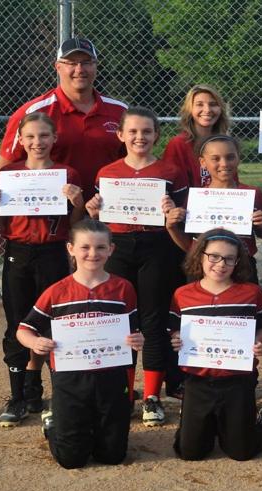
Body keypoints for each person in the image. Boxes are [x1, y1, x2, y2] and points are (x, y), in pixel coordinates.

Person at [0, 111, 85, 428]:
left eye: (43, 136)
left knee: (55, 323)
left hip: (53, 252)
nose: (37, 142)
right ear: (20, 141)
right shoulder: (8, 173)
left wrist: (77, 202)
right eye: (30, 137)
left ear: (54, 139)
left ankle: (52, 390)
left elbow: (76, 224)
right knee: (18, 322)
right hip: (18, 253)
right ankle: (19, 395)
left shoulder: (67, 173)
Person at [84, 105, 188, 426]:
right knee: (121, 321)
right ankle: (126, 393)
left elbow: (184, 217)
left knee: (153, 320)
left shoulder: (170, 171)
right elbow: (98, 216)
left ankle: (152, 396)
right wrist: (93, 211)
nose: (140, 137)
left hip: (158, 246)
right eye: (133, 131)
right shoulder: (108, 173)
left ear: (157, 134)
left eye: (146, 131)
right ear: (121, 135)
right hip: (119, 246)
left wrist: (175, 212)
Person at [14, 220, 144, 469]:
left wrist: (138, 339)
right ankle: (55, 425)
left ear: (111, 250)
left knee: (113, 456)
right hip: (70, 379)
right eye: (85, 247)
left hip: (111, 377)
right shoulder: (57, 291)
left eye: (100, 247)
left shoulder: (123, 288)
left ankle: (94, 429)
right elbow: (24, 329)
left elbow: (133, 329)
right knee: (71, 460)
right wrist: (36, 342)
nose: (93, 254)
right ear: (70, 249)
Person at [165, 231, 262, 461]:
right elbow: (174, 328)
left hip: (237, 379)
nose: (221, 264)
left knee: (241, 452)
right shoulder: (183, 294)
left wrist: (257, 341)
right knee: (190, 453)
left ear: (238, 262)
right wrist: (177, 339)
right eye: (214, 256)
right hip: (198, 380)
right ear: (200, 256)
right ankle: (199, 423)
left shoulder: (251, 292)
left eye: (229, 258)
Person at [0, 38, 126, 194]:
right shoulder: (32, 113)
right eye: (71, 63)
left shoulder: (120, 112)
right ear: (58, 67)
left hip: (108, 210)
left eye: (87, 62)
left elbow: (134, 163)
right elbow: (6, 171)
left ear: (96, 66)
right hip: (54, 212)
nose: (80, 69)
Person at [162, 134, 262, 258]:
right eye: (215, 158)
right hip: (203, 265)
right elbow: (189, 246)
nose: (224, 164)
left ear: (238, 158)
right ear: (203, 162)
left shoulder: (253, 193)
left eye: (230, 157)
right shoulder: (196, 198)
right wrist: (171, 227)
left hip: (242, 264)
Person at [161, 84, 229, 188]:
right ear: (190, 109)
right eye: (199, 104)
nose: (207, 110)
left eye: (213, 104)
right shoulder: (178, 144)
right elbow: (171, 185)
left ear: (220, 109)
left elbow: (232, 184)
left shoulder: (224, 144)